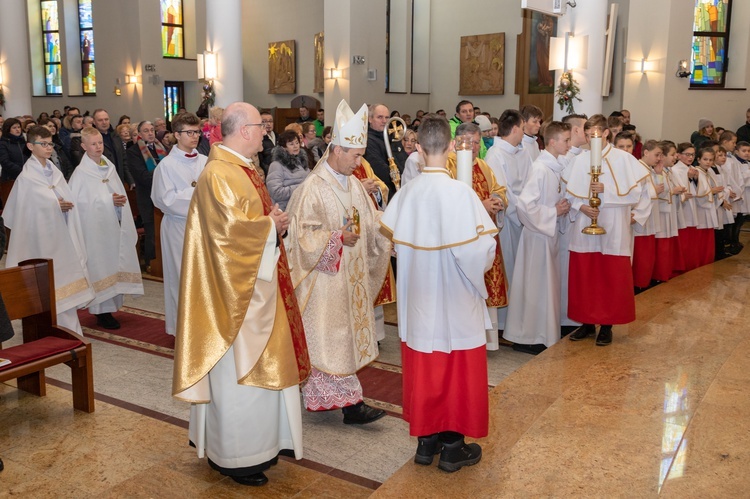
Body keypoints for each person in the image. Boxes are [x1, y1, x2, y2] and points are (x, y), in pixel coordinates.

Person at [172, 101, 310, 487]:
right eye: (261, 127)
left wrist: (272, 225)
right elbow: (226, 240)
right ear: (243, 130)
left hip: (259, 288)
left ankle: (265, 444)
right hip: (235, 300)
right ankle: (237, 456)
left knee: (263, 372)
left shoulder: (243, 169)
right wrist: (271, 226)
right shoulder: (219, 174)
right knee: (239, 377)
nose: (266, 134)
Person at [380, 114, 497, 473]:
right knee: (455, 371)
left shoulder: (407, 193)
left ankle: (426, 442)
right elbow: (479, 251)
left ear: (417, 147)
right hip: (455, 302)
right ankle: (452, 446)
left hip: (419, 303)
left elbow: (394, 246)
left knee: (425, 370)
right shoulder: (461, 193)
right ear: (450, 148)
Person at [285, 100, 391, 424]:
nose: (360, 162)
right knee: (330, 341)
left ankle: (348, 402)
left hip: (351, 277)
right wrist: (335, 239)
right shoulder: (312, 189)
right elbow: (300, 236)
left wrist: (395, 231)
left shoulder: (355, 184)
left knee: (343, 341)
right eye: (356, 155)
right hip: (325, 281)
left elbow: (371, 221)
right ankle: (350, 406)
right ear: (336, 150)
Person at [565, 115, 652, 346]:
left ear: (606, 133)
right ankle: (585, 322)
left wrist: (607, 190)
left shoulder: (624, 159)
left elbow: (636, 194)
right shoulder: (579, 160)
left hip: (613, 226)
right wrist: (580, 205)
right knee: (585, 273)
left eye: (595, 133)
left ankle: (606, 325)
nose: (590, 138)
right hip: (585, 225)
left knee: (610, 275)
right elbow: (568, 193)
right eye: (587, 134)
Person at [3, 126, 95, 334]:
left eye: (50, 143)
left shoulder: (54, 171)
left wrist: (64, 204)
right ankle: (49, 328)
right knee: (48, 285)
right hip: (41, 242)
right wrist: (55, 205)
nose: (48, 148)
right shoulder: (27, 177)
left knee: (63, 282)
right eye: (42, 144)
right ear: (30, 146)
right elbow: (25, 212)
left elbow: (65, 194)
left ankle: (67, 328)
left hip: (61, 236)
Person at [505, 121, 572, 353]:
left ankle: (541, 333)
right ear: (552, 142)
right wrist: (554, 212)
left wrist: (560, 208)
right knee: (534, 287)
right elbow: (524, 205)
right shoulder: (541, 169)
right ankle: (528, 337)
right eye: (566, 140)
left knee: (544, 287)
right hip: (536, 238)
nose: (569, 144)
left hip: (547, 235)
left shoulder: (554, 168)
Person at [69, 127, 144, 330]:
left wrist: (117, 201)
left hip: (112, 227)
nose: (98, 147)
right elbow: (79, 204)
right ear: (84, 146)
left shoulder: (108, 167)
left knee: (113, 264)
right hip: (94, 231)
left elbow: (116, 190)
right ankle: (102, 312)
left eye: (100, 143)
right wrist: (107, 200)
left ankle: (111, 307)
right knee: (100, 267)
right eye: (93, 144)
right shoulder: (80, 174)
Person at [446, 123, 507, 350]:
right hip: (461, 237)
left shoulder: (483, 165)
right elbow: (450, 200)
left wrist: (497, 201)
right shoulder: (448, 165)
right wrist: (480, 205)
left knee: (487, 284)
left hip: (485, 235)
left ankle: (487, 342)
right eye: (468, 142)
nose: (473, 147)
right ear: (458, 141)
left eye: (476, 142)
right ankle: (464, 337)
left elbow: (499, 189)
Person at [150, 112, 207, 337]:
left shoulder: (205, 161)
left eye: (197, 132)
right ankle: (182, 330)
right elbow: (164, 199)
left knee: (203, 278)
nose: (195, 137)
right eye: (189, 132)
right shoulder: (166, 166)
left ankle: (203, 327)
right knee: (181, 276)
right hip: (178, 227)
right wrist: (197, 193)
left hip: (203, 227)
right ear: (176, 134)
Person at [484, 109, 530, 331]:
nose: (524, 133)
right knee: (508, 268)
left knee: (520, 272)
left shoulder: (523, 153)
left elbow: (529, 186)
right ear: (514, 129)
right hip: (508, 222)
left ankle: (518, 318)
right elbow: (503, 192)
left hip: (524, 217)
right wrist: (521, 215)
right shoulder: (495, 154)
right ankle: (503, 323)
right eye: (522, 128)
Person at [127, 120, 168, 269]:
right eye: (146, 131)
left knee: (164, 229)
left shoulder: (162, 148)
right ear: (139, 134)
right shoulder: (133, 151)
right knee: (152, 230)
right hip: (147, 196)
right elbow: (142, 175)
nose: (150, 133)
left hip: (164, 195)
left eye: (152, 130)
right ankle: (153, 263)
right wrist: (164, 179)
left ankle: (165, 260)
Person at [631, 140, 663, 290]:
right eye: (657, 155)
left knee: (647, 254)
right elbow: (636, 193)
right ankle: (638, 283)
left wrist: (658, 175)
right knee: (641, 254)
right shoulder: (638, 168)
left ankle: (643, 281)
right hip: (640, 217)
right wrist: (654, 190)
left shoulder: (648, 169)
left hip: (649, 216)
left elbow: (658, 190)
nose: (658, 159)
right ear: (646, 152)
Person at [266, 130, 311, 211]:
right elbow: (276, 192)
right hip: (285, 208)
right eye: (291, 144)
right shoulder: (276, 165)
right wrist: (301, 187)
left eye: (297, 143)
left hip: (303, 205)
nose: (295, 146)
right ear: (283, 147)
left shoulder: (302, 163)